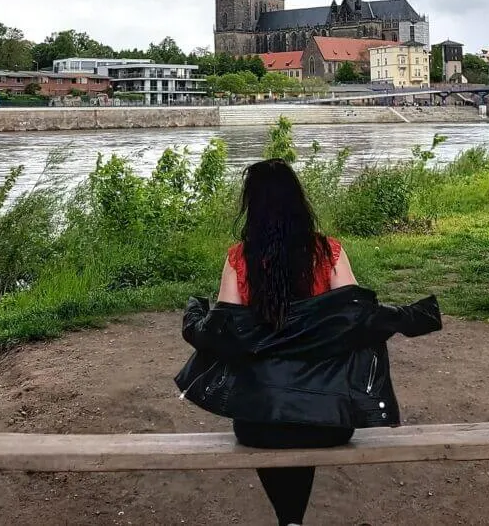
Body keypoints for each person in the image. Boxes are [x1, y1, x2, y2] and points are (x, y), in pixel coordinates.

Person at [176, 158, 441, 526]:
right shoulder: (327, 252)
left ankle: (289, 520)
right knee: (342, 353)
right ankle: (293, 520)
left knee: (273, 419)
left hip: (259, 421)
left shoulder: (240, 259)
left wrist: (193, 314)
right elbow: (358, 318)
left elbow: (219, 333)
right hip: (329, 420)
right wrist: (412, 318)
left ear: (252, 205)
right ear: (298, 201)